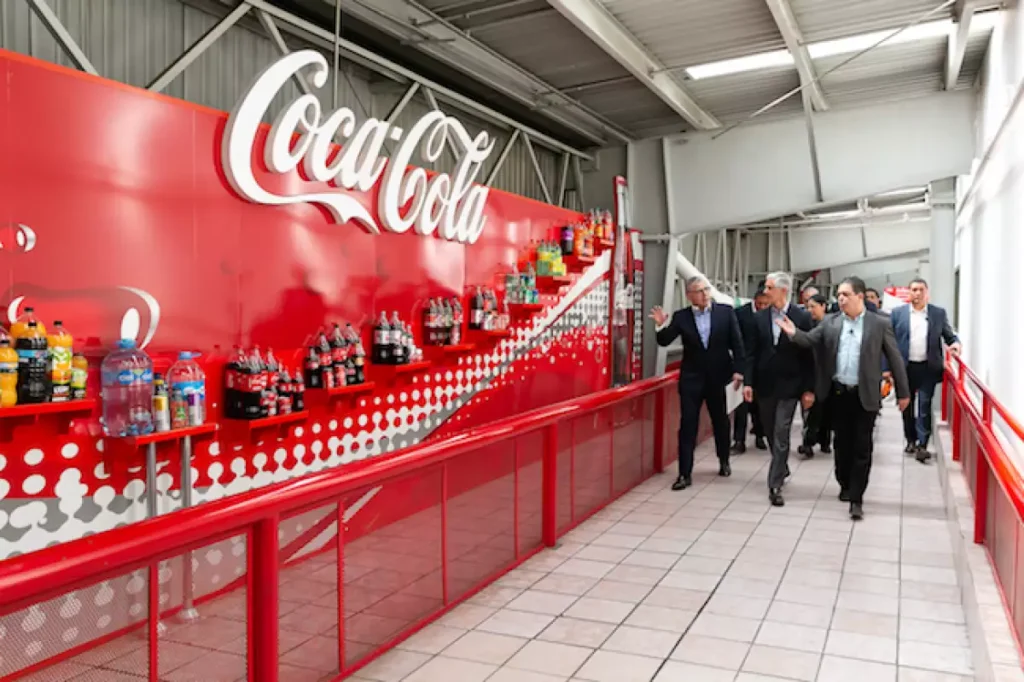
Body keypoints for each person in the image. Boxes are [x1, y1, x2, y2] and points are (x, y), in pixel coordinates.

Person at [776, 276, 910, 520]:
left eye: (846, 294)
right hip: (838, 393)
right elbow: (810, 340)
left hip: (864, 394)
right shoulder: (831, 322)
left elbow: (895, 358)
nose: (841, 299)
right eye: (839, 295)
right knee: (841, 444)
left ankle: (857, 498)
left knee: (862, 447)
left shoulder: (879, 324)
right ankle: (845, 483)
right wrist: (794, 333)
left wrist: (903, 392)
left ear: (860, 296)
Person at [651, 276, 745, 490]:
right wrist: (660, 325)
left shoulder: (725, 313)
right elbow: (664, 340)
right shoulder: (682, 317)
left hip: (719, 377)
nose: (705, 295)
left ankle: (724, 460)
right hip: (692, 379)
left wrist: (739, 371)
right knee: (688, 425)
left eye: (706, 289)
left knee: (720, 421)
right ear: (689, 295)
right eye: (699, 291)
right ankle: (684, 473)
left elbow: (737, 344)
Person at [743, 272, 815, 507]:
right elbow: (751, 353)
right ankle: (781, 466)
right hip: (764, 384)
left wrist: (809, 389)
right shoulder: (759, 318)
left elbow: (809, 356)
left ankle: (774, 484)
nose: (765, 291)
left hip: (790, 385)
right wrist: (748, 382)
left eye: (769, 287)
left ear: (783, 290)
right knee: (769, 431)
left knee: (781, 432)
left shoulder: (802, 317)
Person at [889, 277, 961, 463]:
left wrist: (955, 344)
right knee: (907, 405)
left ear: (927, 293)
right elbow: (889, 342)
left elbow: (949, 335)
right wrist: (887, 368)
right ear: (909, 293)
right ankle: (911, 440)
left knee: (924, 405)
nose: (918, 293)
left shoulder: (937, 313)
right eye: (914, 290)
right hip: (905, 368)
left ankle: (922, 444)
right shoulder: (897, 314)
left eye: (921, 290)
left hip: (928, 368)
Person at [732, 284, 769, 454]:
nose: (762, 307)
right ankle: (739, 440)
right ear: (754, 300)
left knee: (760, 404)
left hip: (763, 365)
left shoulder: (771, 314)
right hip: (744, 363)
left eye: (765, 304)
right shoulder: (741, 314)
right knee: (741, 405)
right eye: (759, 304)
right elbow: (735, 340)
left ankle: (760, 435)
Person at [799, 293, 832, 458]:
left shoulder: (831, 324)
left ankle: (825, 441)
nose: (810, 310)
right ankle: (808, 442)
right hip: (811, 373)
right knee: (811, 410)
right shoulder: (808, 325)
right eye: (808, 307)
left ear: (823, 306)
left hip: (828, 373)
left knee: (826, 410)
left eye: (813, 306)